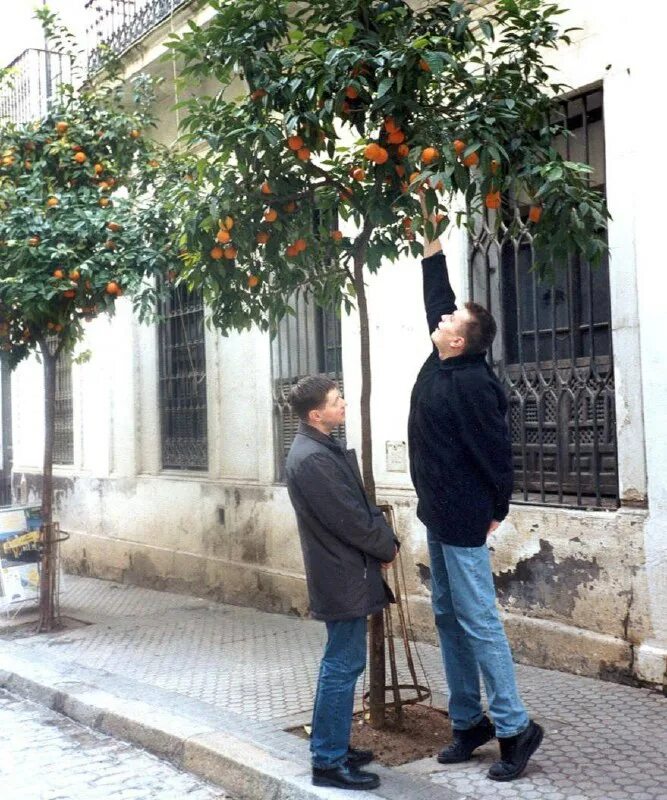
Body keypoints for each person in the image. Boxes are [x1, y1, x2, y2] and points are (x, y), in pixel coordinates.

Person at [407, 210, 544, 782]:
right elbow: (438, 296)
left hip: (464, 515)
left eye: (449, 319)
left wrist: (496, 510)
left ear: (458, 339)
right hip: (437, 511)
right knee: (446, 614)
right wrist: (431, 240)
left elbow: (497, 454)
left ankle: (515, 728)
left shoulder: (472, 383)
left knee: (479, 618)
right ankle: (469, 722)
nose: (440, 318)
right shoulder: (445, 358)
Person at [285, 376, 398, 791]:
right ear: (317, 414)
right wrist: (386, 546)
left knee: (342, 662)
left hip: (344, 570)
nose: (344, 403)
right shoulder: (312, 457)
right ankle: (329, 761)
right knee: (341, 665)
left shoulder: (318, 448)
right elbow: (349, 518)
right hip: (341, 574)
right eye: (336, 401)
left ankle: (333, 747)